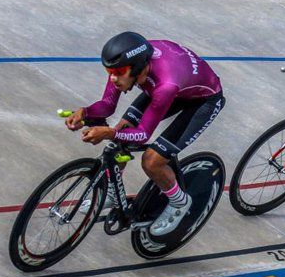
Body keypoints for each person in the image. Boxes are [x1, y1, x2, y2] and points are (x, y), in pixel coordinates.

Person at [65, 32, 224, 235]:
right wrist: (85, 112)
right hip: (171, 84)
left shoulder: (165, 85)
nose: (113, 78)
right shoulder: (126, 62)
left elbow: (142, 135)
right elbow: (107, 105)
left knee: (152, 161)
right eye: (109, 71)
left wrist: (108, 133)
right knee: (120, 137)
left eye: (118, 72)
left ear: (138, 67)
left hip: (202, 101)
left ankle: (180, 202)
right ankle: (113, 194)